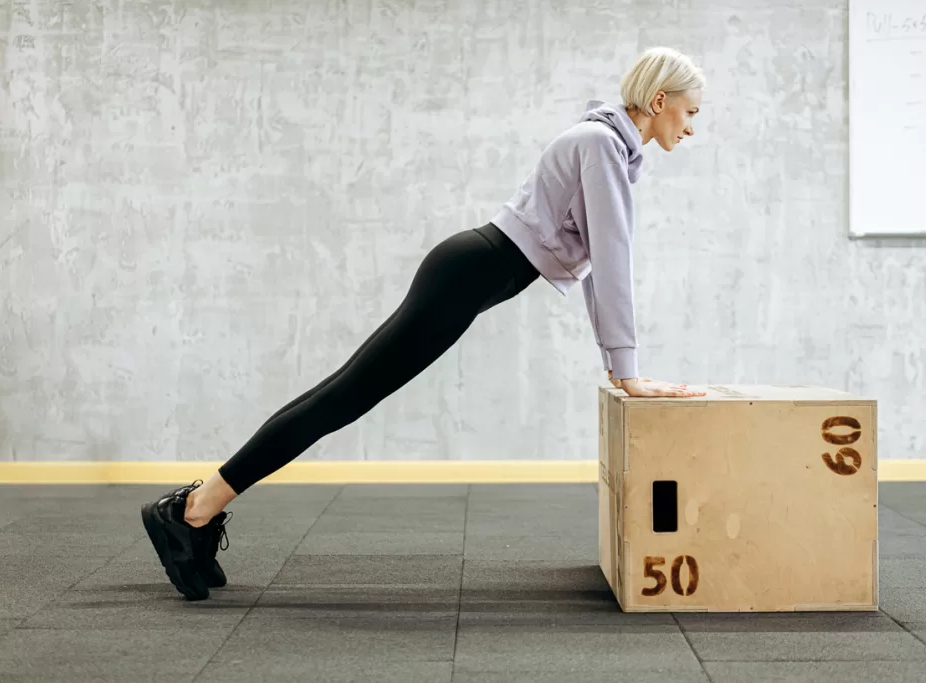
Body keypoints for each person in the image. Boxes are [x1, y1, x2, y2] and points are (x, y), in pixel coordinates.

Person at [141, 46, 707, 601]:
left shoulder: (608, 145)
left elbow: (598, 264)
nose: (690, 127)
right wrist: (626, 368)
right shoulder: (601, 144)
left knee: (338, 394)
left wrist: (621, 364)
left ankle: (195, 508)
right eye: (690, 112)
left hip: (467, 275)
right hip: (464, 276)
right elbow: (612, 257)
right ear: (659, 100)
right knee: (341, 400)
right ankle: (190, 510)